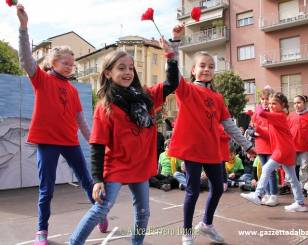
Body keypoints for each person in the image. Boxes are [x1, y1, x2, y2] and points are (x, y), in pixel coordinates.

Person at [69, 24, 183, 245]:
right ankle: (74, 242)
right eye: (121, 68)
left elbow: (172, 83)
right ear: (108, 73)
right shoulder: (106, 107)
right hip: (116, 167)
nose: (128, 72)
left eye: (131, 68)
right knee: (100, 210)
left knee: (143, 212)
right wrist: (97, 180)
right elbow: (97, 144)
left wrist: (173, 51)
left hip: (140, 167)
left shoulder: (145, 98)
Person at [16, 5, 106, 245]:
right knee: (47, 190)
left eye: (72, 63)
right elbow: (25, 58)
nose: (70, 66)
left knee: (88, 181)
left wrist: (95, 143)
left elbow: (81, 123)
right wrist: (24, 27)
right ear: (53, 63)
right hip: (47, 143)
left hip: (69, 142)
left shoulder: (73, 91)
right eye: (65, 62)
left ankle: (99, 213)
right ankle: (41, 231)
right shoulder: (41, 80)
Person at [167, 50, 255, 244]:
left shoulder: (217, 97)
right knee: (193, 191)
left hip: (212, 149)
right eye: (202, 65)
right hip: (192, 150)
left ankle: (206, 224)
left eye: (211, 66)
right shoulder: (187, 90)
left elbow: (229, 124)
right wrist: (172, 51)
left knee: (218, 188)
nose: (207, 69)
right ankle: (187, 233)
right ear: (193, 70)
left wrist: (247, 145)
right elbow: (173, 76)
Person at [241, 92, 307, 212]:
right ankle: (300, 203)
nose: (271, 106)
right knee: (292, 178)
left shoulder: (279, 116)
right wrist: (258, 128)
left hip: (283, 150)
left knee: (266, 169)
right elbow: (270, 135)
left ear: (283, 105)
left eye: (274, 103)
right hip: (286, 149)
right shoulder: (276, 117)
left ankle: (258, 195)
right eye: (270, 103)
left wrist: (260, 104)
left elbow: (260, 112)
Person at [251, 87, 279, 206]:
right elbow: (252, 127)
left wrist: (260, 131)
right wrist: (253, 132)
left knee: (271, 171)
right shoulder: (257, 113)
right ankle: (267, 194)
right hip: (260, 145)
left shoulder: (273, 113)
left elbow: (273, 132)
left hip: (271, 145)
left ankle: (274, 195)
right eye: (262, 99)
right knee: (263, 171)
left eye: (267, 99)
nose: (264, 101)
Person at [288, 95, 308, 190]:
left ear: (304, 103)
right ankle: (291, 186)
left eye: (299, 102)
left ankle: (303, 187)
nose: (296, 105)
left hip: (305, 148)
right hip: (292, 147)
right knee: (291, 167)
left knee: (304, 168)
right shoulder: (291, 115)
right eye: (294, 103)